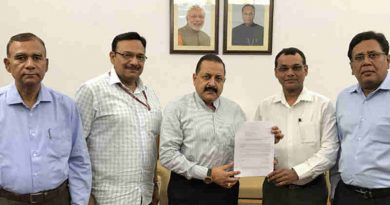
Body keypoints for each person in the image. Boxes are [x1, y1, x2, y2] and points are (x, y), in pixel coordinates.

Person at [159, 54, 283, 205]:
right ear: (194, 78)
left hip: (226, 191)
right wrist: (209, 174)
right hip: (187, 190)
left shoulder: (234, 110)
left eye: (218, 78)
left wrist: (266, 146)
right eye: (206, 76)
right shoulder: (177, 108)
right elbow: (167, 155)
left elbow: (244, 147)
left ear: (224, 81)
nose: (212, 83)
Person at [0, 33, 91, 205]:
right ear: (7, 64)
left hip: (57, 199)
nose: (30, 65)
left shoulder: (66, 107)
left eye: (36, 57)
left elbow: (78, 160)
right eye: (21, 58)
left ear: (46, 64)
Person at [75, 32, 162, 205]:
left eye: (140, 57)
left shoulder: (150, 94)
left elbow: (151, 143)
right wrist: (84, 196)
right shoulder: (92, 91)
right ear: (112, 56)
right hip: (106, 198)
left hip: (144, 196)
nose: (134, 62)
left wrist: (153, 184)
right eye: (127, 55)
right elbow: (74, 149)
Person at [255, 47, 339, 205]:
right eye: (284, 69)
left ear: (306, 70)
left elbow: (330, 151)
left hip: (310, 191)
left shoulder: (323, 105)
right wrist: (264, 156)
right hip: (274, 190)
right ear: (276, 73)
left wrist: (297, 173)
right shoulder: (265, 106)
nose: (290, 73)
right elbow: (256, 146)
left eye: (296, 67)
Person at [331, 31, 390, 205]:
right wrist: (335, 189)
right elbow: (340, 146)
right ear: (351, 67)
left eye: (373, 55)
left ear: (387, 60)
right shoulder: (343, 98)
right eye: (359, 57)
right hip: (347, 195)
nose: (366, 62)